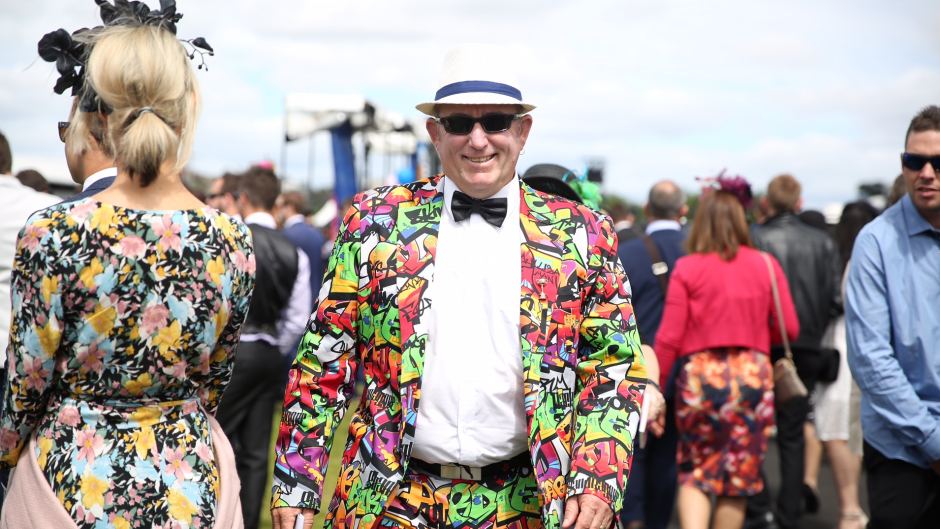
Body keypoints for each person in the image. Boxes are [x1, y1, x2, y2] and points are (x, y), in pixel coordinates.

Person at [270, 46, 647, 529]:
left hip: (528, 503)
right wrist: (297, 480)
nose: (478, 140)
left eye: (494, 121)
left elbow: (612, 364)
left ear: (522, 131)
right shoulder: (374, 222)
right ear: (434, 131)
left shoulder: (582, 233)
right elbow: (323, 361)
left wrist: (598, 476)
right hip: (391, 499)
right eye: (458, 124)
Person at [0, 6, 254, 528]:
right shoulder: (232, 238)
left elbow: (27, 382)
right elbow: (215, 377)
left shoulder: (54, 231)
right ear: (184, 113)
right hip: (189, 482)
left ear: (95, 119)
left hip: (73, 479)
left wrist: (8, 450)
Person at [655, 180, 800, 529]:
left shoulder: (688, 268)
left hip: (701, 377)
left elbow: (669, 338)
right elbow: (790, 329)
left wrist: (656, 391)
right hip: (752, 374)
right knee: (738, 477)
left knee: (695, 470)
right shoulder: (765, 265)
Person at [846, 105, 940, 529]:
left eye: (937, 162)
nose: (926, 173)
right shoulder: (876, 242)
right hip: (901, 448)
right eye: (913, 161)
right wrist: (934, 441)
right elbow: (870, 358)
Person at [217, 165, 309, 529]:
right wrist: (276, 346)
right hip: (270, 354)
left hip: (233, 354)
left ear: (242, 198)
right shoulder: (294, 250)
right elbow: (298, 315)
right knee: (256, 451)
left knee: (213, 438)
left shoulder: (230, 240)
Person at [748, 173, 841, 529]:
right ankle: (788, 513)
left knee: (753, 426)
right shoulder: (822, 241)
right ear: (799, 202)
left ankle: (758, 508)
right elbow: (835, 299)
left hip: (764, 345)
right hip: (808, 346)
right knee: (793, 430)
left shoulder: (757, 237)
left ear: (767, 203)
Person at [617, 180, 688, 529]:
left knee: (633, 451)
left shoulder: (627, 252)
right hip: (684, 370)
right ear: (683, 210)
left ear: (647, 209)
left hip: (636, 366)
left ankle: (632, 520)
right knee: (670, 453)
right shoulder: (698, 251)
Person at [803, 201, 876, 529]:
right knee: (849, 428)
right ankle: (850, 507)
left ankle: (849, 506)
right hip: (857, 346)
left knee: (836, 425)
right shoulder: (870, 254)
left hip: (838, 344)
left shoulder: (837, 256)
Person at [60, 96, 117, 203]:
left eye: (64, 130)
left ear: (84, 133)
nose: (65, 141)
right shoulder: (156, 214)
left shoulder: (52, 218)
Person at [276, 190, 326, 311]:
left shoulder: (284, 236)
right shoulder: (317, 235)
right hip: (316, 303)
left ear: (290, 207)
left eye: (280, 206)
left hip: (291, 308)